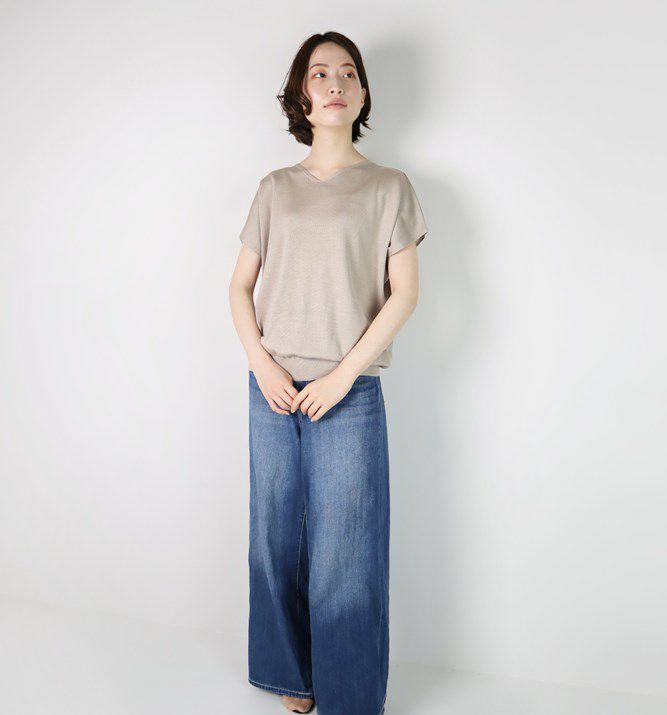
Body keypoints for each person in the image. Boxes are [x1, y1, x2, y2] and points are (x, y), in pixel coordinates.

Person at [228, 31, 428, 715]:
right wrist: (261, 364)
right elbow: (239, 287)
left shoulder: (389, 187)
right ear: (301, 93)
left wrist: (343, 376)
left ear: (362, 92)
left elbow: (404, 294)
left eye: (348, 72)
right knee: (275, 534)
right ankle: (290, 671)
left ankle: (348, 692)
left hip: (349, 392)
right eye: (319, 73)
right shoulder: (274, 188)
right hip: (271, 389)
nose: (335, 83)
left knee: (348, 547)